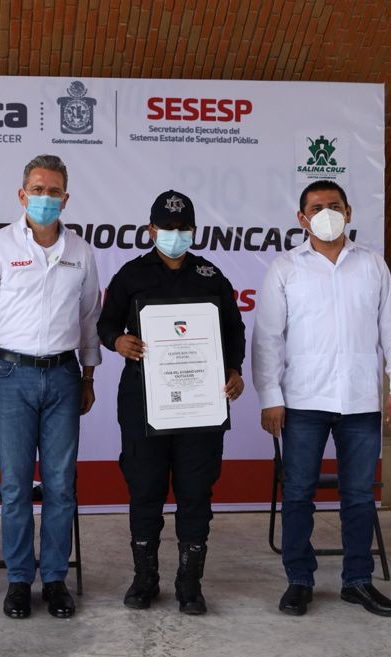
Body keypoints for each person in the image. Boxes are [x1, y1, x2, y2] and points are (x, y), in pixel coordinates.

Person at [252, 180, 391, 617]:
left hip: (361, 402)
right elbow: (267, 339)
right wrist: (270, 395)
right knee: (298, 494)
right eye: (317, 207)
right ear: (302, 219)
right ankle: (299, 581)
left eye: (334, 206)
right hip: (303, 401)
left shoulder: (372, 265)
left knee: (359, 497)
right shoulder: (285, 268)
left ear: (349, 212)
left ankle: (357, 581)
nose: (327, 213)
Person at [0, 154, 102, 619]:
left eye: (53, 191)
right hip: (11, 375)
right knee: (16, 486)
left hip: (63, 376)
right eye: (37, 190)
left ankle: (55, 579)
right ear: (22, 195)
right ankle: (19, 580)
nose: (45, 198)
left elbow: (89, 319)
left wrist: (88, 375)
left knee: (61, 485)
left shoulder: (81, 252)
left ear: (66, 198)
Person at [97, 190, 246, 614]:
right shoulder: (130, 275)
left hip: (201, 405)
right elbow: (105, 323)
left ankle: (189, 584)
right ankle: (144, 579)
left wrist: (234, 370)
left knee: (195, 493)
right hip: (143, 404)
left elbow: (234, 330)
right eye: (167, 228)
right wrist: (117, 340)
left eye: (183, 229)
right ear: (151, 230)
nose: (175, 235)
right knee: (145, 490)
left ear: (193, 231)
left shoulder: (210, 275)